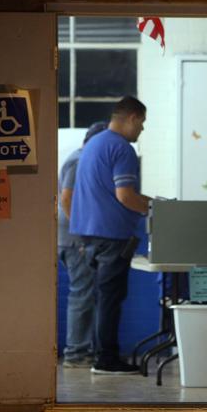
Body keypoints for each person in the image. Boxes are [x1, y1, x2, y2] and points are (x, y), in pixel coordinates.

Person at [70, 96, 152, 375]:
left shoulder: (94, 144)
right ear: (132, 118)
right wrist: (154, 209)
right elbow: (125, 195)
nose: (142, 129)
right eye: (142, 123)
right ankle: (106, 359)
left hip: (88, 235)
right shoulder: (122, 148)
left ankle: (101, 355)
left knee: (101, 297)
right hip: (111, 235)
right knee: (110, 299)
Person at [58, 121, 107, 368]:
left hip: (75, 235)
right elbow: (66, 198)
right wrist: (80, 234)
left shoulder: (83, 158)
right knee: (82, 294)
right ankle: (76, 353)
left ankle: (81, 350)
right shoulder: (79, 161)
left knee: (85, 293)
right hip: (74, 238)